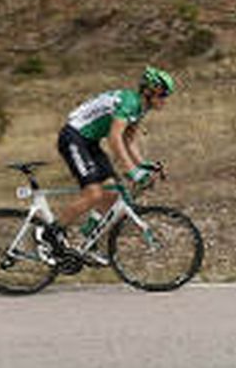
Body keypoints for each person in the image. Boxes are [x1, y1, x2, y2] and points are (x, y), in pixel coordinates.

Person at [42, 66, 176, 260]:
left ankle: (89, 239)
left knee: (113, 192)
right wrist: (132, 171)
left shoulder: (140, 107)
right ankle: (50, 234)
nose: (164, 101)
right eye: (162, 95)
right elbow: (115, 138)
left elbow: (129, 140)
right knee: (94, 194)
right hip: (73, 137)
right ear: (148, 92)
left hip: (89, 142)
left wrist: (143, 165)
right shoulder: (129, 103)